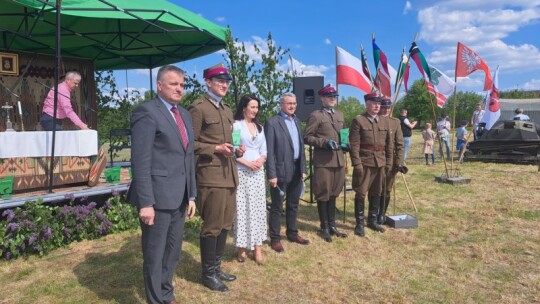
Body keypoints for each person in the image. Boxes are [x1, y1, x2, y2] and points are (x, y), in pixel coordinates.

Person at [127, 65, 197, 304]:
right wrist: (146, 203)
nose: (179, 89)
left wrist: (192, 195)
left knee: (173, 252)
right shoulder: (146, 113)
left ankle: (166, 293)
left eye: (182, 85)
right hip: (157, 199)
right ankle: (155, 299)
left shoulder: (185, 114)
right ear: (159, 85)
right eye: (173, 84)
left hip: (179, 197)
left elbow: (189, 157)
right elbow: (140, 161)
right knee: (155, 254)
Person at [188, 63, 245, 292]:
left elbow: (229, 141)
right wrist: (216, 148)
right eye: (220, 81)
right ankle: (208, 274)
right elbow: (190, 143)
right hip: (211, 176)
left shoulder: (227, 109)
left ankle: (217, 267)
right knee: (212, 226)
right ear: (208, 82)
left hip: (229, 174)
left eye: (227, 81)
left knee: (224, 224)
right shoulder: (198, 108)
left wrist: (235, 150)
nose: (224, 85)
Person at [265, 92, 309, 253]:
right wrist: (271, 174)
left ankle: (292, 233)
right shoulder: (272, 122)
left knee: (293, 204)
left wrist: (303, 168)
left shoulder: (297, 121)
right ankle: (275, 238)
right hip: (280, 170)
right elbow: (269, 150)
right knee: (277, 206)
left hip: (296, 169)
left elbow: (301, 147)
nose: (292, 106)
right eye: (289, 103)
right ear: (281, 104)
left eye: (294, 103)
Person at [304, 84, 347, 243]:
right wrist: (324, 142)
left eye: (334, 97)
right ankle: (324, 227)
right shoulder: (316, 115)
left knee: (334, 192)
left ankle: (332, 225)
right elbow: (307, 137)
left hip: (339, 160)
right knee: (323, 193)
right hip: (323, 161)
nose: (332, 99)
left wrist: (345, 143)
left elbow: (344, 133)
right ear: (322, 98)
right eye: (329, 97)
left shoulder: (340, 114)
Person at [349, 92, 392, 236]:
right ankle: (359, 223)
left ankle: (372, 220)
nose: (377, 106)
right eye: (374, 103)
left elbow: (389, 144)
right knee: (361, 193)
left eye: (379, 104)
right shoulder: (359, 120)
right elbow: (354, 144)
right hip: (365, 162)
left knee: (377, 192)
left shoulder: (385, 121)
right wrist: (357, 163)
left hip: (380, 162)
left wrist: (389, 162)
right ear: (367, 104)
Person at [232, 94, 267, 265]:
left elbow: (264, 150)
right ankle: (241, 247)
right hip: (242, 172)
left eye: (257, 107)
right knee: (243, 209)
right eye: (252, 107)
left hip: (258, 174)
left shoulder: (259, 127)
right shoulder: (236, 126)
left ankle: (257, 247)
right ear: (244, 107)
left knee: (258, 209)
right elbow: (234, 151)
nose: (255, 110)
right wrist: (246, 162)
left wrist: (260, 160)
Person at [372, 97, 405, 226]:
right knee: (376, 189)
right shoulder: (374, 120)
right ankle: (373, 214)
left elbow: (400, 144)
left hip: (391, 162)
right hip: (376, 161)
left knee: (387, 189)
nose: (386, 109)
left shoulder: (395, 122)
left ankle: (382, 214)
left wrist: (399, 162)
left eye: (388, 107)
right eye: (383, 107)